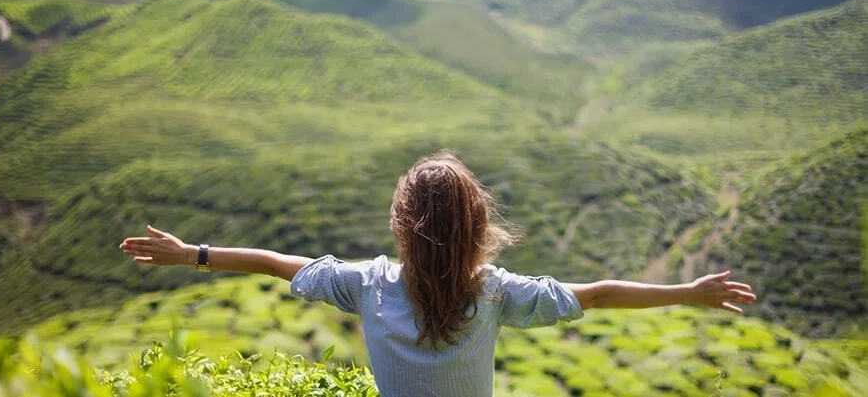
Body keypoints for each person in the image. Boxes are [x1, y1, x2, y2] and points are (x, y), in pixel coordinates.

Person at [119, 150, 757, 397]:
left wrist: (194, 254)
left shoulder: (368, 283)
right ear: (478, 228)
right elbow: (598, 294)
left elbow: (272, 263)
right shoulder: (495, 292)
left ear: (401, 226)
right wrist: (688, 293)